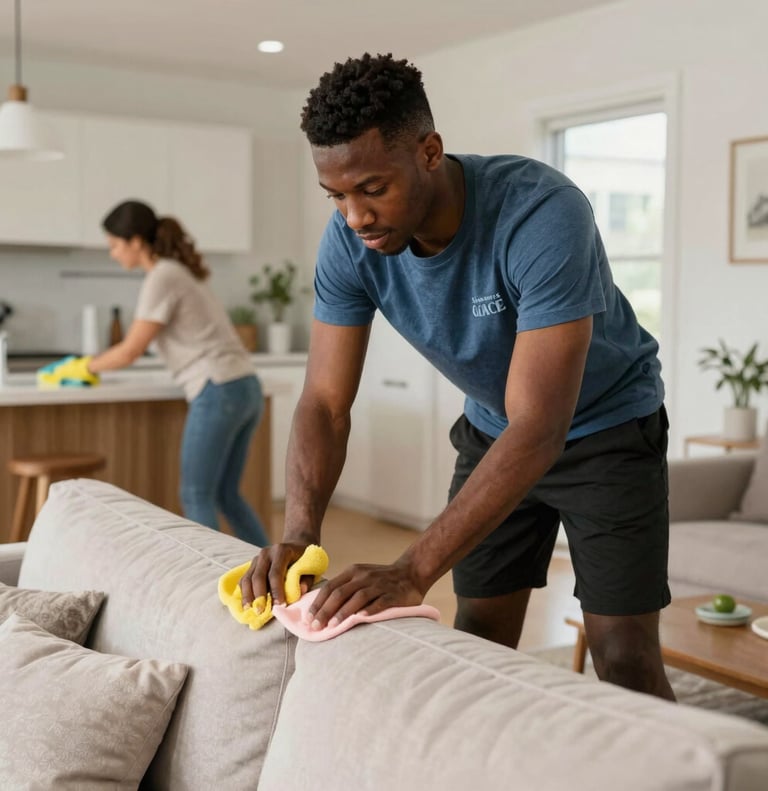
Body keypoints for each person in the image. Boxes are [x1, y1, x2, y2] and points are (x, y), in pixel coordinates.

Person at [239, 53, 674, 699]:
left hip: (607, 429)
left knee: (624, 656)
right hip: (493, 426)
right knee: (477, 641)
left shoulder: (542, 213)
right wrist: (301, 534)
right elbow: (325, 402)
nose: (356, 216)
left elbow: (540, 424)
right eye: (337, 196)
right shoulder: (350, 242)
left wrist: (412, 567)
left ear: (430, 152)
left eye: (373, 188)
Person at [70, 200, 269, 547]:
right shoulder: (177, 271)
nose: (113, 254)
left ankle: (207, 583)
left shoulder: (162, 276)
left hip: (217, 388)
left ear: (135, 241)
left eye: (115, 245)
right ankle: (279, 571)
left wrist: (81, 366)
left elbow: (130, 349)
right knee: (226, 495)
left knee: (195, 493)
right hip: (244, 386)